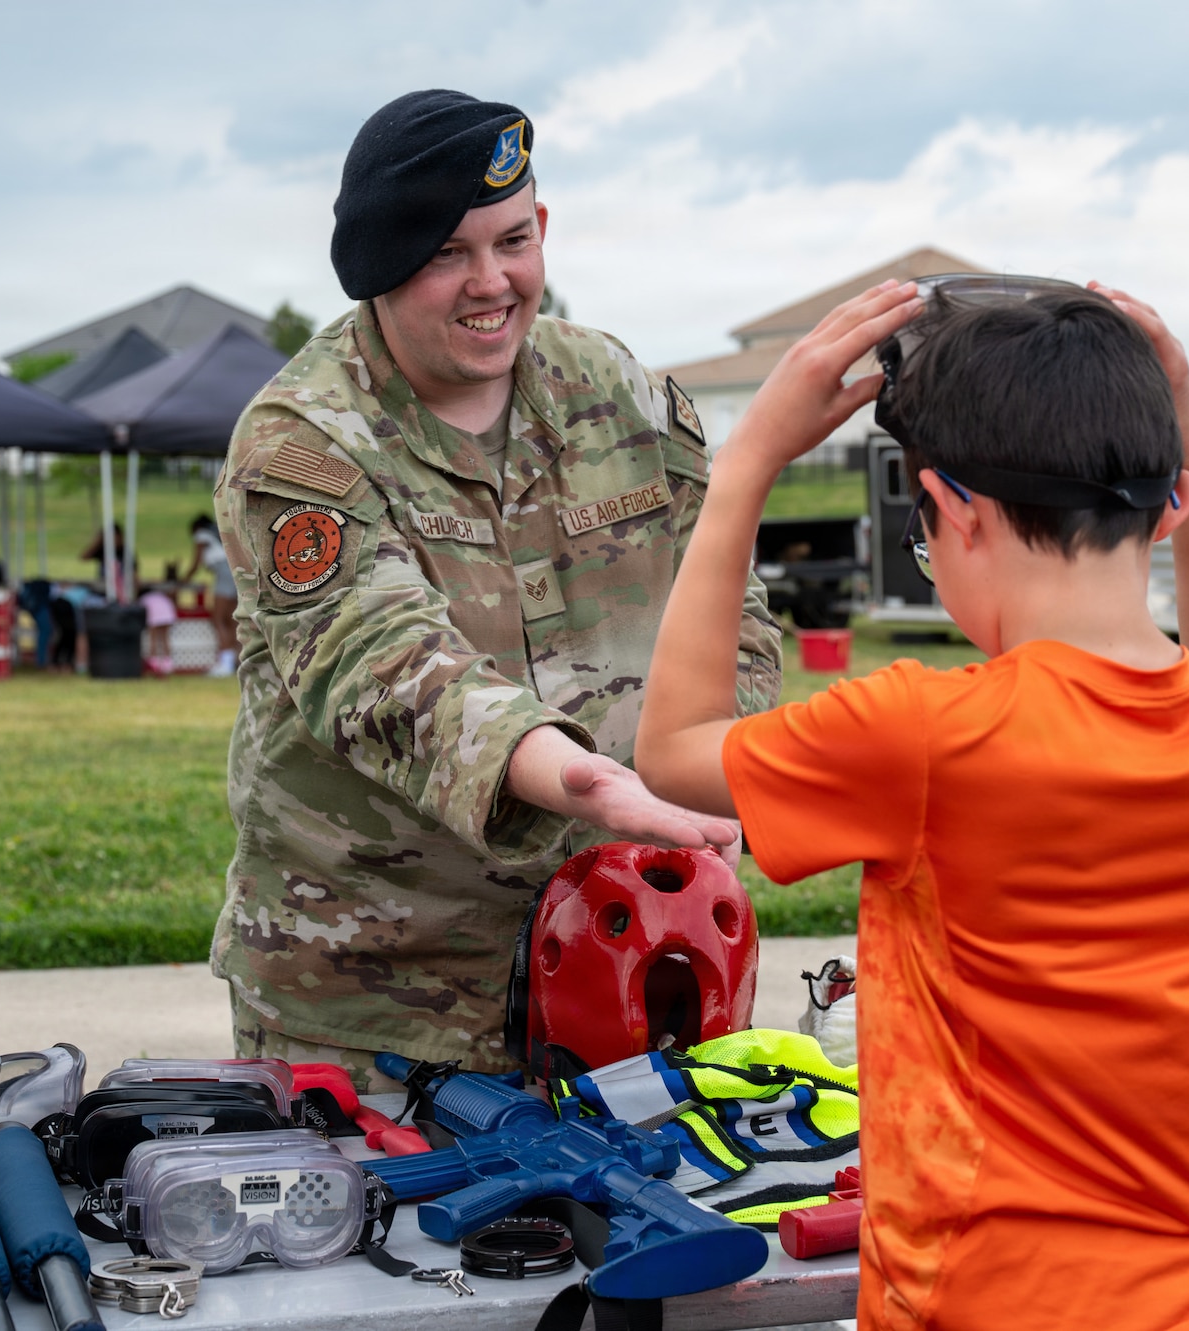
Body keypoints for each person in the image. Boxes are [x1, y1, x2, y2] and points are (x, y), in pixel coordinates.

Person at [636, 279, 1189, 1331]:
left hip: (985, 1301)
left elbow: (670, 750)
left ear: (957, 509)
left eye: (926, 542)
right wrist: (1180, 430)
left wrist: (744, 465)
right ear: (1175, 505)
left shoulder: (925, 735)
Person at [211, 89, 782, 1082]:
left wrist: (707, 779)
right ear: (379, 266)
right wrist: (585, 778)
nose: (492, 283)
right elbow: (384, 668)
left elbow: (730, 604)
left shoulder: (616, 392)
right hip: (383, 1008)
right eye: (446, 254)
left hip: (643, 963)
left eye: (512, 241)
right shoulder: (299, 446)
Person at [179, 515, 238, 677]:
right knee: (231, 619)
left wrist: (182, 582)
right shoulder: (218, 533)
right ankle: (235, 659)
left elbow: (195, 564)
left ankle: (225, 663)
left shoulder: (202, 534)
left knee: (217, 618)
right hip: (235, 573)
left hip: (224, 574)